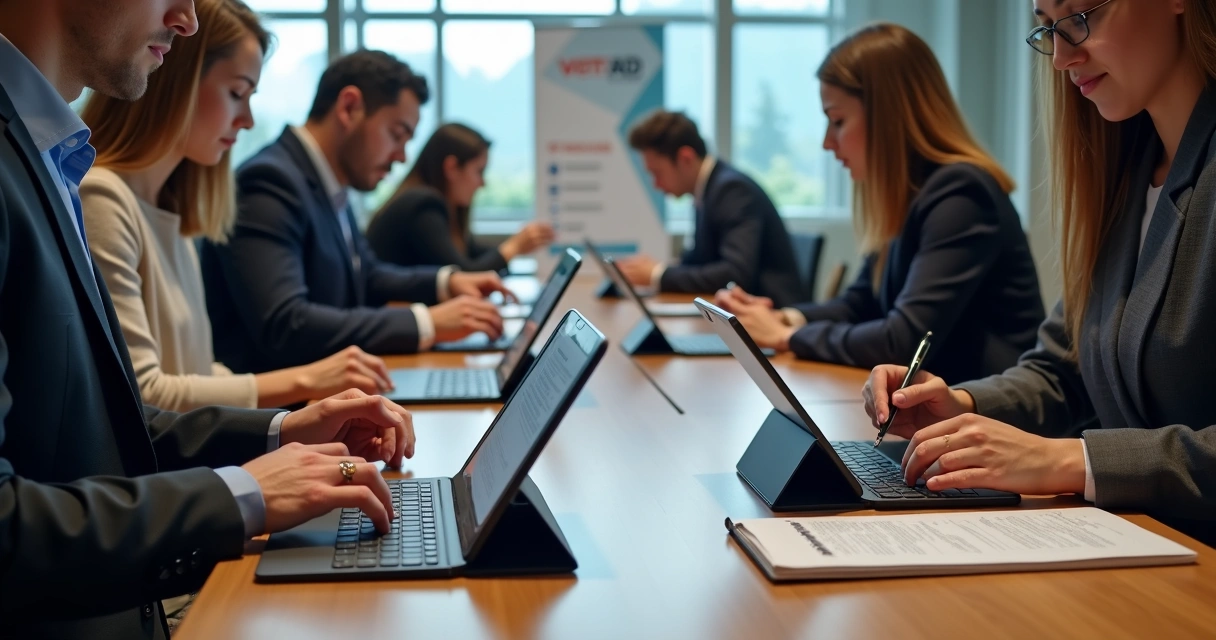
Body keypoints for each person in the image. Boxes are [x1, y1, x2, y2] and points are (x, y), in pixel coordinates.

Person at [0, 1, 417, 638]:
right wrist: (237, 495)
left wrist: (281, 432)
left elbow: (99, 430)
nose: (186, 17)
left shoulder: (50, 160)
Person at [862, 0, 1216, 546]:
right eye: (1049, 27)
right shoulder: (1127, 172)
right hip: (1136, 545)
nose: (1060, 57)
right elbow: (1063, 368)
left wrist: (1070, 459)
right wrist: (960, 404)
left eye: (1080, 15)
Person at [80, 0, 393, 415]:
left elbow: (199, 374)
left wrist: (298, 418)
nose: (246, 119)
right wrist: (307, 381)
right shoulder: (103, 199)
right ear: (176, 80)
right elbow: (146, 393)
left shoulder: (174, 212)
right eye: (236, 93)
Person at [715, 24, 1045, 385]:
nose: (827, 142)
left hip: (989, 420)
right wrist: (785, 317)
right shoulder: (912, 192)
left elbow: (902, 340)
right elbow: (861, 303)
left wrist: (786, 337)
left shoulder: (961, 195)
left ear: (890, 116)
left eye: (838, 121)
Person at [201, 50, 509, 375]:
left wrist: (446, 282)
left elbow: (367, 273)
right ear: (349, 108)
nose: (402, 156)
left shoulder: (326, 183)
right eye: (397, 134)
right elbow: (287, 323)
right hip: (280, 412)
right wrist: (426, 321)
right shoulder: (269, 181)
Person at [615, 110, 806, 308]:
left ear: (685, 158)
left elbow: (735, 274)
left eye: (657, 173)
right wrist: (658, 270)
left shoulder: (732, 190)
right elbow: (700, 259)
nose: (656, 184)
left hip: (773, 317)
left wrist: (659, 275)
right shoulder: (707, 188)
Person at [367, 122, 554, 272]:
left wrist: (517, 245)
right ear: (451, 168)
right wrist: (514, 247)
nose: (482, 183)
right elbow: (463, 275)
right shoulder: (421, 206)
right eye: (479, 171)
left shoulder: (436, 206)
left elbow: (473, 255)